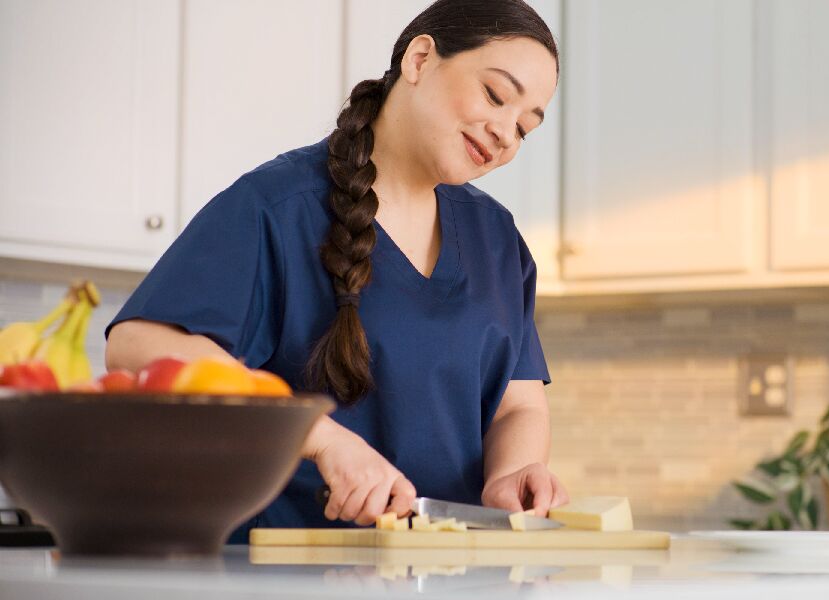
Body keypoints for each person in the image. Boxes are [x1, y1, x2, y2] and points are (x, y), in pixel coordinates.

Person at [105, 0, 568, 542]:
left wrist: (511, 476)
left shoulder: (498, 240)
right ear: (420, 59)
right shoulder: (275, 206)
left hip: (452, 575)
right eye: (495, 95)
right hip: (286, 571)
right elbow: (137, 345)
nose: (506, 134)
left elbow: (519, 404)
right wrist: (322, 439)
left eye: (525, 127)